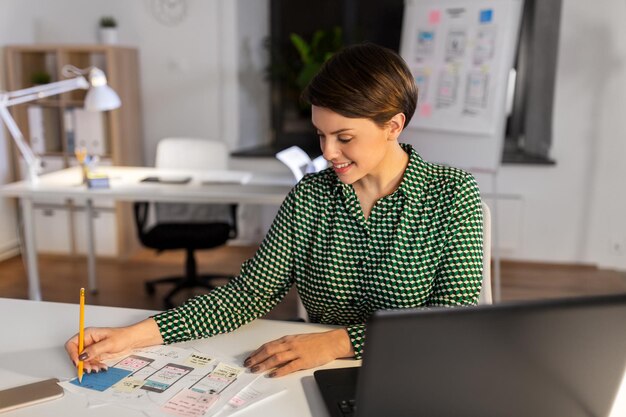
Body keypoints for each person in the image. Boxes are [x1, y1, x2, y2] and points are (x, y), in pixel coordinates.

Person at [65, 43, 483, 378]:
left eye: (344, 137)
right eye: (320, 134)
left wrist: (337, 342)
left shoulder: (453, 195)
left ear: (393, 126)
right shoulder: (311, 196)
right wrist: (131, 337)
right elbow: (248, 295)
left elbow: (448, 322)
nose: (328, 152)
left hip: (415, 373)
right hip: (317, 371)